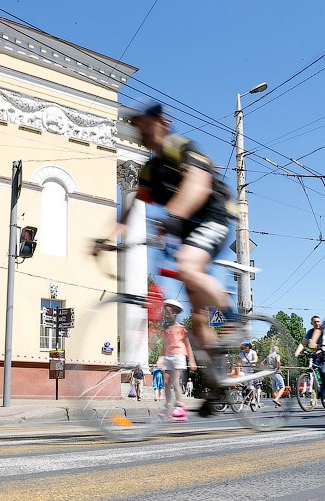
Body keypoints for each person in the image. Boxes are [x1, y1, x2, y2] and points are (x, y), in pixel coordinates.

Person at [95, 103, 234, 353]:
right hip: (188, 234)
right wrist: (105, 240)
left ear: (161, 123)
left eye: (144, 124)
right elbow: (127, 214)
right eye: (136, 127)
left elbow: (199, 185)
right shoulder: (149, 171)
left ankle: (232, 320)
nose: (140, 131)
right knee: (199, 319)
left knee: (186, 266)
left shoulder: (180, 148)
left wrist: (171, 216)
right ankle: (218, 379)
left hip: (213, 218)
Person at [159, 299, 196, 420]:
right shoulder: (165, 329)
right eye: (165, 312)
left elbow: (188, 344)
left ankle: (181, 406)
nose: (166, 315)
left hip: (179, 355)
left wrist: (191, 360)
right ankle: (168, 407)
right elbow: (164, 345)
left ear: (175, 313)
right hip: (168, 356)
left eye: (168, 313)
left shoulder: (181, 328)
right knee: (166, 383)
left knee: (175, 380)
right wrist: (161, 357)